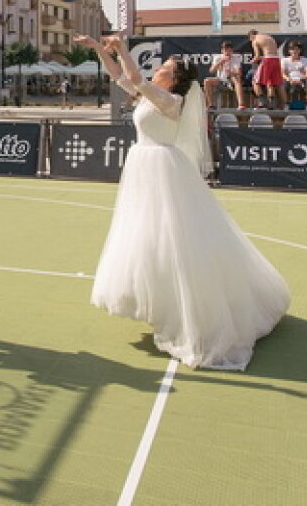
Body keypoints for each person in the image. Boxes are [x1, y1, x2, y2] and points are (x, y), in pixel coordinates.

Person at [76, 33, 290, 370]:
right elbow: (120, 78)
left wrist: (122, 48)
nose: (159, 68)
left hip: (162, 170)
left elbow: (132, 76)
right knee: (148, 236)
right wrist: (99, 50)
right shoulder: (147, 95)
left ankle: (189, 309)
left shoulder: (170, 102)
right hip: (143, 168)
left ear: (173, 79)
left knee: (175, 237)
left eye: (165, 67)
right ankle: (156, 301)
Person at [204, 40, 248, 109]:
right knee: (207, 81)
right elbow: (211, 70)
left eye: (228, 49)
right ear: (222, 50)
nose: (227, 51)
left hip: (232, 79)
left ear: (231, 50)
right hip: (221, 79)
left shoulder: (236, 57)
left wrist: (231, 73)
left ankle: (241, 104)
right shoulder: (217, 57)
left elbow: (239, 72)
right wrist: (221, 62)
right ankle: (211, 104)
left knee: (237, 79)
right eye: (225, 49)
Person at [248, 29, 283, 109]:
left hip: (268, 59)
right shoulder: (268, 37)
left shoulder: (255, 40)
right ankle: (272, 104)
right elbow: (270, 52)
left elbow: (257, 56)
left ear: (251, 36)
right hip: (276, 59)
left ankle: (263, 103)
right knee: (270, 82)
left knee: (255, 82)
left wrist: (252, 61)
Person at [282, 42, 307, 109]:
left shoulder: (306, 60)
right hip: (289, 80)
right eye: (292, 49)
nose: (295, 51)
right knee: (281, 85)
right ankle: (286, 105)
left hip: (302, 79)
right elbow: (283, 74)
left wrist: (302, 79)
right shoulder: (284, 60)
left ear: (300, 50)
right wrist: (289, 79)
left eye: (297, 49)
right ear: (289, 51)